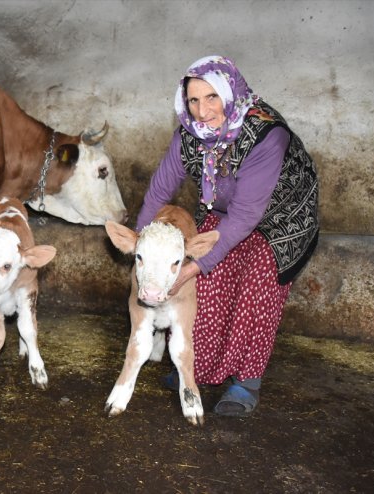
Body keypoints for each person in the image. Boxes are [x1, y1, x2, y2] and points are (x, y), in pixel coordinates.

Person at [136, 56, 319, 417]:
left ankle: (246, 380)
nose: (202, 111)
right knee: (207, 281)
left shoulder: (266, 135)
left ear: (229, 93)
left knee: (257, 279)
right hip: (223, 211)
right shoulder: (188, 135)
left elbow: (247, 216)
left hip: (284, 218)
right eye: (193, 100)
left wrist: (196, 265)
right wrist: (142, 251)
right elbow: (158, 194)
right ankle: (194, 364)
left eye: (211, 98)